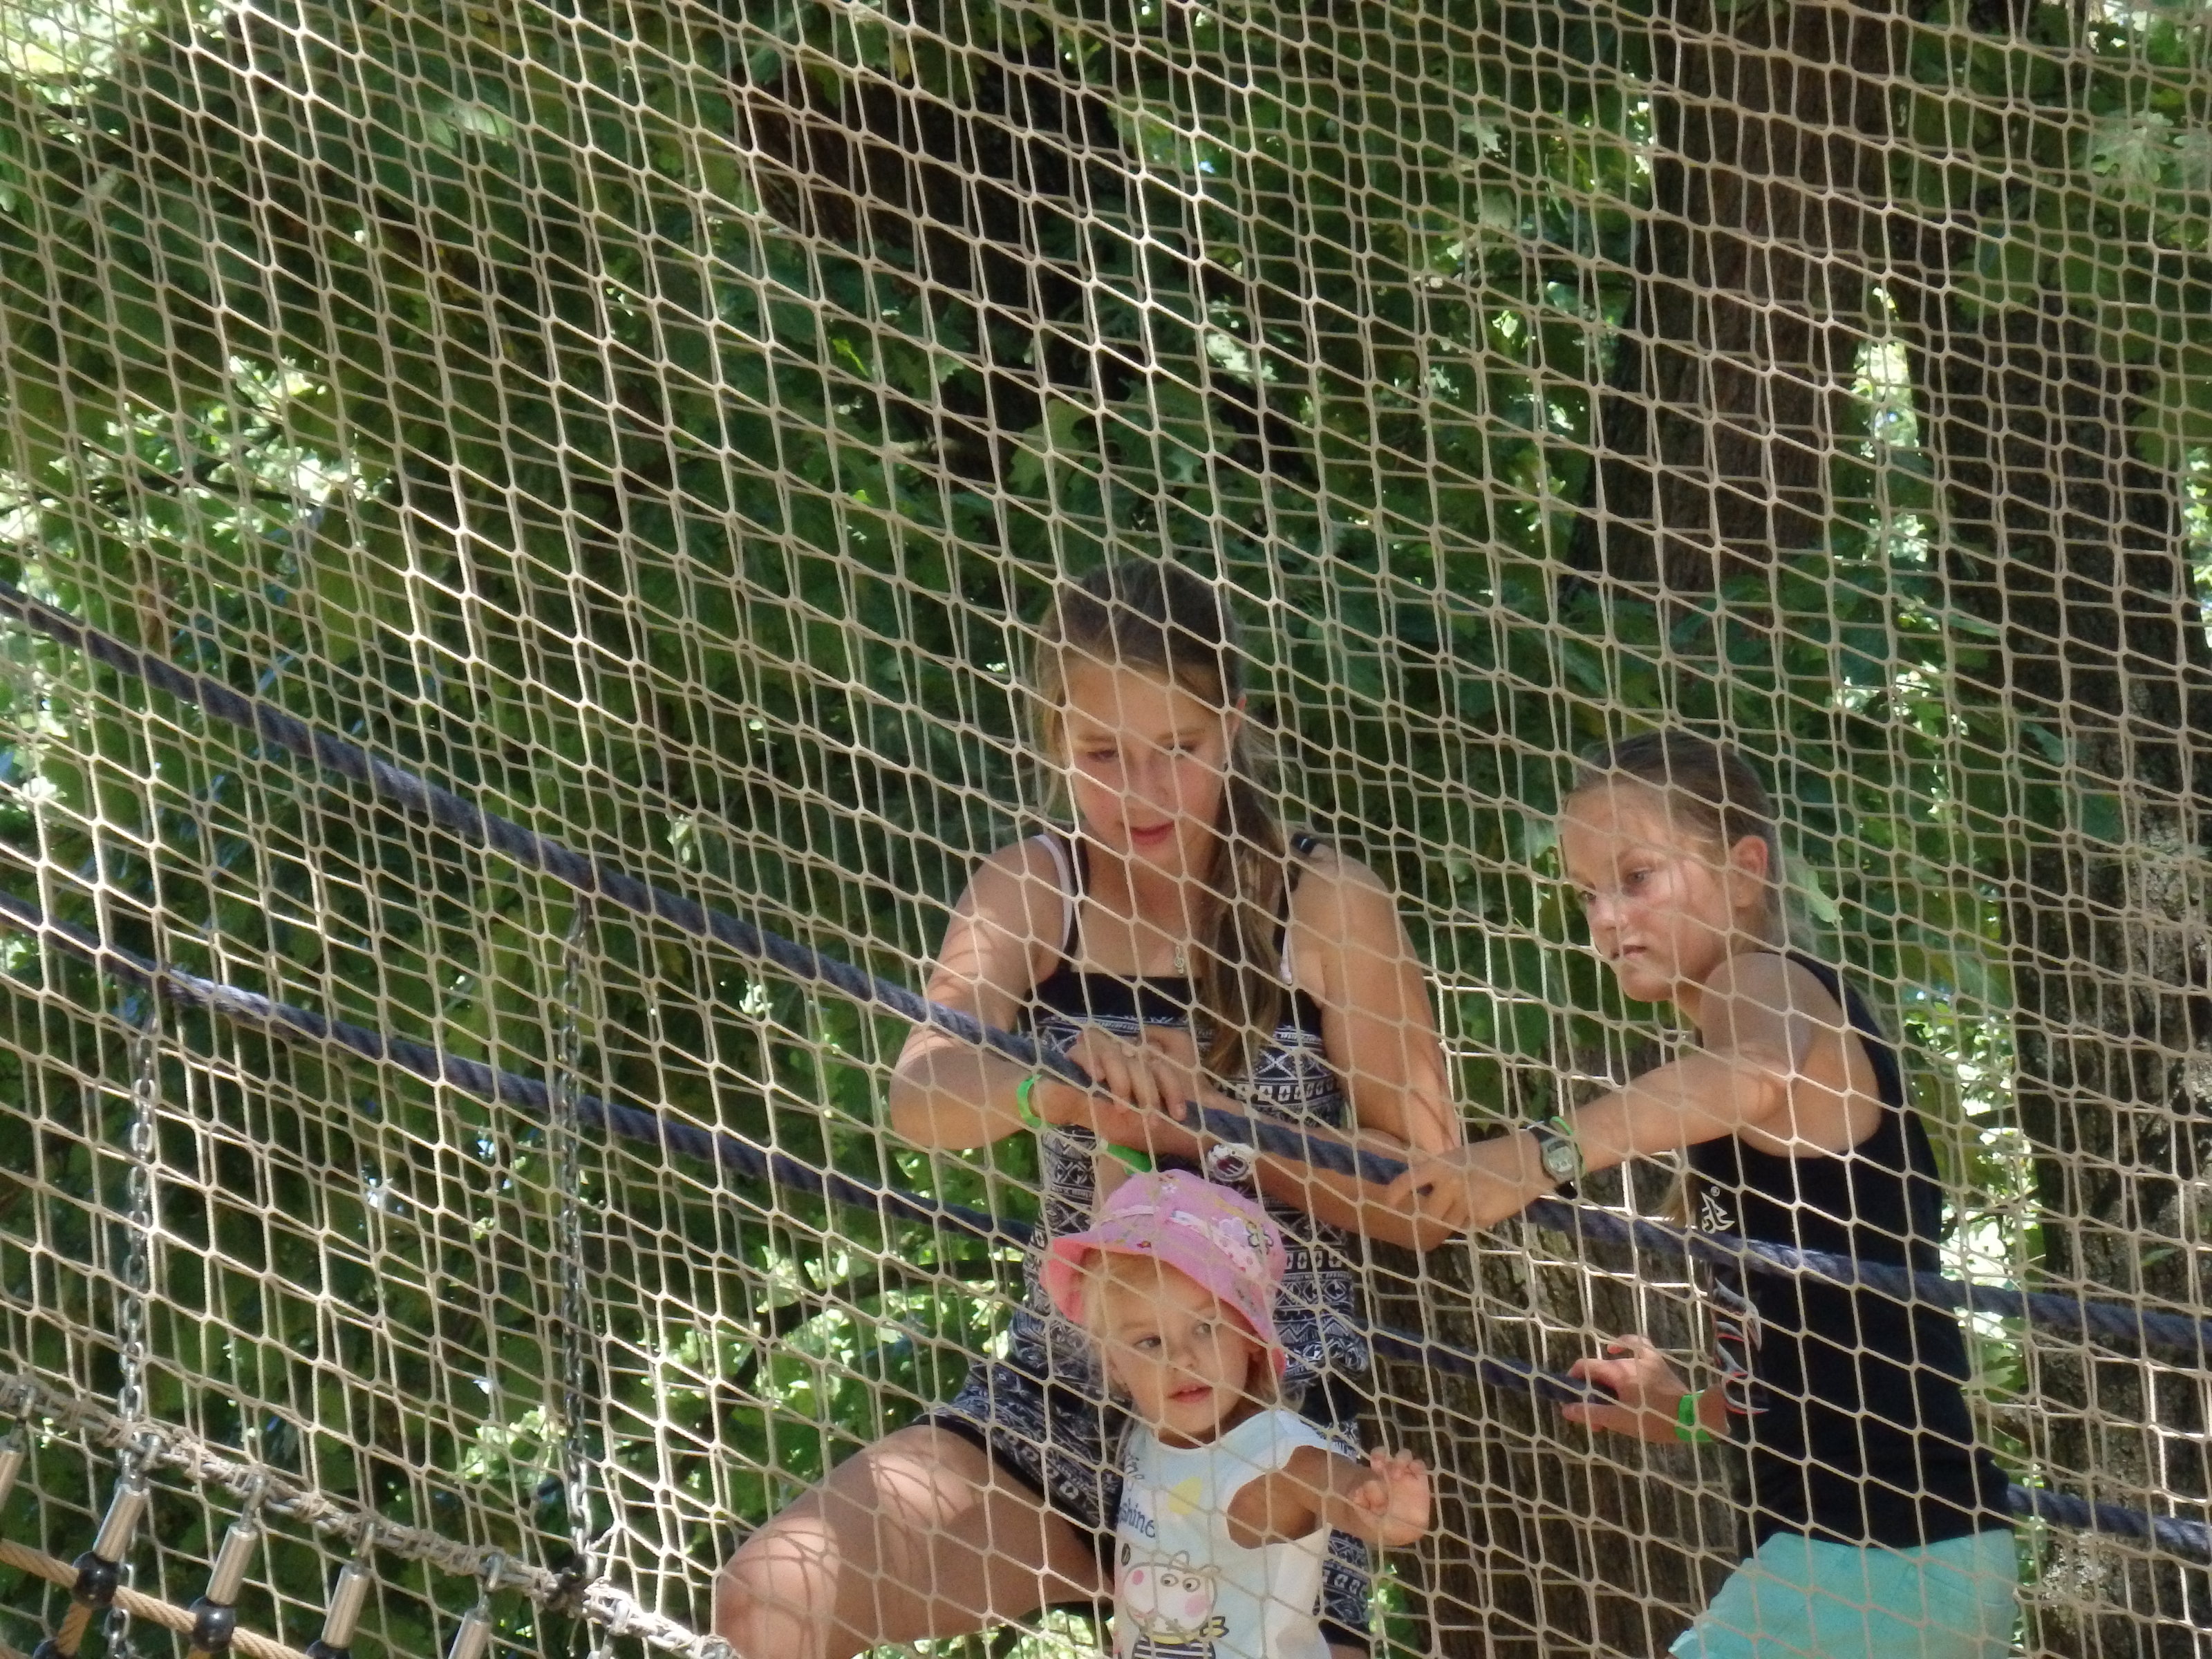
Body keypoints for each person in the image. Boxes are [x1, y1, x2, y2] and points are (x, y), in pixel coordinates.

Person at [713, 559, 1460, 1659]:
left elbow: (1432, 1198)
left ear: (1232, 728)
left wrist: (1223, 1132)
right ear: (1053, 742)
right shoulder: (1033, 887)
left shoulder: (1326, 904)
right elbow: (921, 1097)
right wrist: (1056, 1084)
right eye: (1104, 755)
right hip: (1065, 1390)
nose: (1144, 792)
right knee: (770, 1600)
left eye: (1179, 750)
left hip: (1262, 1420)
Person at [1383, 731, 2018, 1659]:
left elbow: (1754, 1069)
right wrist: (1687, 1411)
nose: (1606, 918)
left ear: (1746, 870)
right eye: (1586, 894)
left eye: (1636, 877)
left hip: (1870, 1557)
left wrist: (1535, 1157)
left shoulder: (1762, 982)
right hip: (1913, 1560)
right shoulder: (1759, 1045)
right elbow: (1830, 1366)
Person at [1044, 1170, 1430, 1659]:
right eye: (1150, 1342)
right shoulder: (1148, 1436)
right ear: (1115, 1367)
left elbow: (1333, 1486)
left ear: (1250, 1337)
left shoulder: (1267, 1452)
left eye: (1206, 1328)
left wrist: (1382, 1505)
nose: (1182, 1360)